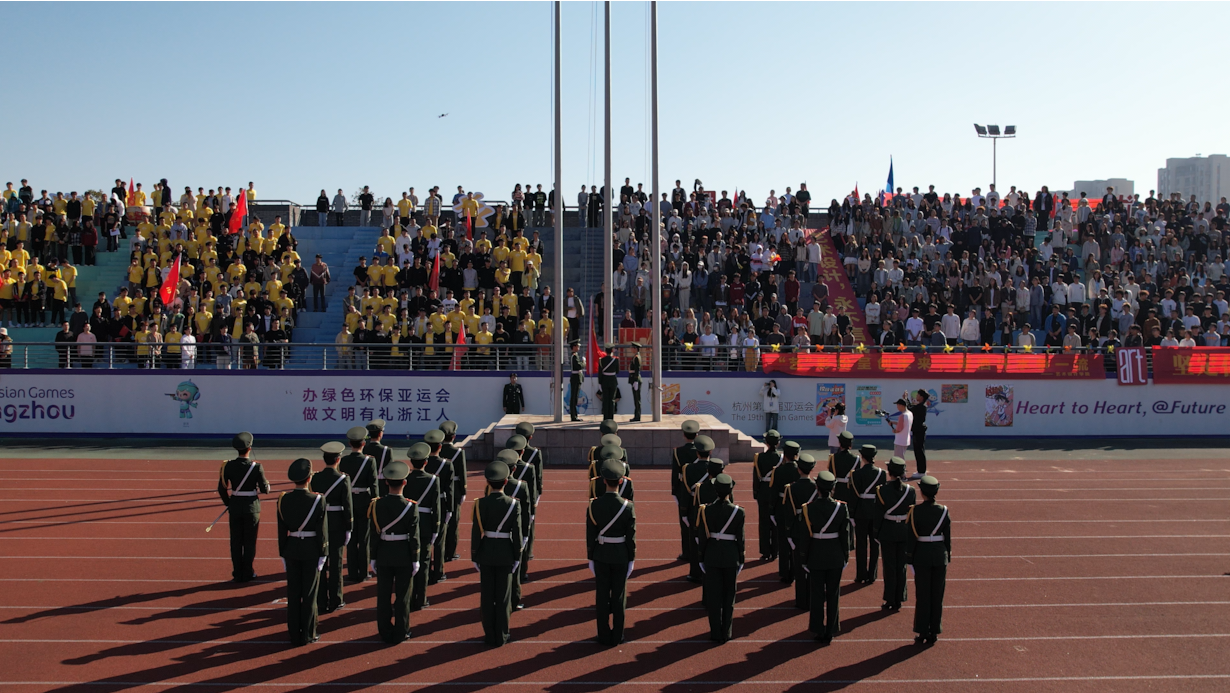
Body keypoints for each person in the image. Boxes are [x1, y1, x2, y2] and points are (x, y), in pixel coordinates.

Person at [367, 459, 421, 644]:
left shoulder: (376, 505)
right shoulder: (410, 506)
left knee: (383, 595)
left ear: (386, 482)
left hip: (383, 553)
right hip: (404, 554)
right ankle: (401, 630)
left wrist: (373, 556)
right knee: (402, 596)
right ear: (405, 482)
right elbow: (414, 536)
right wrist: (415, 557)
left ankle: (384, 630)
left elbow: (373, 533)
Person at [276, 458, 328, 646]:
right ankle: (308, 632)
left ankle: (293, 632)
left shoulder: (283, 499)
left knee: (293, 592)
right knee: (309, 593)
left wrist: (282, 552)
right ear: (309, 478)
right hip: (311, 549)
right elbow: (322, 530)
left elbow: (281, 530)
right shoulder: (318, 500)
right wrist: (323, 552)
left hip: (291, 547)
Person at [472, 460, 524, 647]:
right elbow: (517, 534)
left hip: (486, 552)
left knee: (487, 597)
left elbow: (476, 532)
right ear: (505, 482)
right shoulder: (513, 504)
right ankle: (502, 634)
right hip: (505, 552)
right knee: (503, 597)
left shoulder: (480, 503)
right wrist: (517, 556)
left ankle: (489, 634)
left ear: (488, 482)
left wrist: (474, 555)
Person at [797, 470, 853, 645]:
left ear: (817, 488)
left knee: (817, 595)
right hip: (835, 555)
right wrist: (845, 556)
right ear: (833, 488)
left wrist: (804, 558)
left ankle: (818, 629)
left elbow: (805, 537)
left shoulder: (808, 508)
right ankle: (831, 628)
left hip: (816, 555)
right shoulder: (841, 508)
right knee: (833, 594)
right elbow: (845, 535)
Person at [587, 458, 637, 647]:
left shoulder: (594, 505)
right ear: (622, 481)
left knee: (602, 596)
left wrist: (590, 556)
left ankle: (603, 634)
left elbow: (590, 534)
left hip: (601, 553)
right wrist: (631, 558)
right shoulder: (628, 506)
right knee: (619, 596)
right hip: (621, 554)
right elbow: (631, 536)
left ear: (603, 480)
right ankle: (618, 635)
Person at [696, 473, 745, 643]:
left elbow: (702, 537)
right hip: (731, 556)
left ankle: (715, 632)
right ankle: (727, 631)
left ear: (715, 491)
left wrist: (701, 557)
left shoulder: (706, 510)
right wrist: (741, 558)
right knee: (729, 596)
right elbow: (741, 539)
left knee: (714, 596)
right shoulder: (739, 512)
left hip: (712, 555)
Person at [216, 432, 270, 583]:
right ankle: (248, 572)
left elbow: (221, 488)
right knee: (249, 542)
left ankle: (237, 572)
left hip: (235, 506)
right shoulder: (256, 467)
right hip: (252, 507)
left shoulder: (228, 466)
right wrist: (267, 486)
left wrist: (229, 503)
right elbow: (264, 489)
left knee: (236, 541)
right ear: (249, 448)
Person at [907, 475, 951, 645]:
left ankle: (923, 630)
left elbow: (911, 537)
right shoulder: (943, 511)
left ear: (922, 492)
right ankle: (934, 630)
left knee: (923, 595)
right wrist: (947, 555)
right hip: (939, 556)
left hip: (922, 555)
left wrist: (909, 558)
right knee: (937, 595)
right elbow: (947, 538)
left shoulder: (915, 511)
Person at [310, 442, 352, 615]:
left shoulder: (315, 478)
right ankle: (336, 599)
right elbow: (347, 505)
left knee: (320, 563)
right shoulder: (343, 479)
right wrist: (349, 526)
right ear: (338, 459)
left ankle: (321, 600)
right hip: (336, 523)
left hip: (319, 522)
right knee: (336, 564)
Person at [874, 457, 916, 612]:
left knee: (889, 566)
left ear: (889, 472)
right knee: (901, 566)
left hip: (888, 530)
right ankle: (900, 598)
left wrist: (876, 532)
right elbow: (911, 513)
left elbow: (878, 514)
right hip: (904, 531)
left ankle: (890, 598)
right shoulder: (910, 491)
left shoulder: (882, 490)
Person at [404, 443, 441, 612]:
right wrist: (436, 528)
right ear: (426, 462)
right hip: (425, 524)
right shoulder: (433, 480)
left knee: (408, 562)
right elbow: (436, 507)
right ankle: (421, 598)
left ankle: (408, 597)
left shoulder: (405, 479)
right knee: (424, 562)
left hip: (407, 524)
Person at [339, 426, 377, 583]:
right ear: (363, 444)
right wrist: (375, 503)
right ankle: (363, 572)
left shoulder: (344, 460)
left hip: (348, 502)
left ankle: (352, 572)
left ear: (350, 443)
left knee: (350, 538)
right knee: (364, 538)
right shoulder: (369, 461)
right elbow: (373, 485)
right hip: (364, 501)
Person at [782, 452, 818, 609]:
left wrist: (788, 533)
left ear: (798, 469)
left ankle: (801, 600)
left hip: (797, 529)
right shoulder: (817, 487)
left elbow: (789, 513)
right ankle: (812, 598)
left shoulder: (791, 489)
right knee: (813, 565)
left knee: (799, 566)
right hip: (814, 529)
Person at [681, 434, 715, 583]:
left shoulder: (688, 469)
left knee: (694, 541)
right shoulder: (715, 467)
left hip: (694, 507)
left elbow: (685, 492)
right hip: (711, 507)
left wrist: (683, 511)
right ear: (710, 452)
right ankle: (711, 569)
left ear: (697, 453)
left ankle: (695, 572)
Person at [423, 429, 456, 584]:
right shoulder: (446, 465)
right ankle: (438, 571)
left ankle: (425, 570)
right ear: (440, 447)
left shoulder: (422, 463)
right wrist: (450, 508)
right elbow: (450, 490)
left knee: (425, 539)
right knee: (439, 540)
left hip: (423, 505)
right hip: (441, 503)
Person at [849, 444, 884, 584]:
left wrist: (852, 514)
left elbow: (854, 496)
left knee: (861, 544)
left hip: (861, 511)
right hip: (875, 512)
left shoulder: (856, 474)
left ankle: (861, 574)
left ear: (862, 457)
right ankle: (872, 574)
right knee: (875, 544)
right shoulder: (882, 473)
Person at [769, 441, 802, 582]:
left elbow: (773, 492)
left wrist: (772, 510)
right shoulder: (800, 470)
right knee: (796, 540)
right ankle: (796, 569)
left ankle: (784, 571)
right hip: (797, 508)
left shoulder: (778, 471)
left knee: (783, 541)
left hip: (782, 507)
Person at [439, 420, 468, 562]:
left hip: (438, 488)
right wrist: (463, 491)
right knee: (453, 522)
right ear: (454, 436)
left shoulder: (436, 451)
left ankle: (439, 550)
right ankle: (450, 552)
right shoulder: (458, 452)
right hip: (454, 489)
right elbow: (462, 474)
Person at [671, 420, 701, 560]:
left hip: (684, 489)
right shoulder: (702, 450)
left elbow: (675, 473)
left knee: (685, 522)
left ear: (684, 435)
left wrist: (675, 491)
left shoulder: (678, 452)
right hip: (701, 490)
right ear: (697, 435)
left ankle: (687, 552)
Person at [751, 430, 783, 562]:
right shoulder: (781, 458)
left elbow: (756, 477)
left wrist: (756, 492)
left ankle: (765, 551)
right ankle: (776, 550)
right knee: (776, 522)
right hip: (776, 491)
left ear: (766, 442)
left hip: (763, 491)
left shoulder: (759, 457)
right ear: (778, 443)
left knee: (764, 522)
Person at [828, 431, 858, 506]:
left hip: (837, 489)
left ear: (839, 443)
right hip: (850, 490)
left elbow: (831, 475)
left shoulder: (833, 458)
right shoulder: (856, 459)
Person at [364, 419, 393, 497]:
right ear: (380, 434)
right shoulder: (387, 450)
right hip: (382, 485)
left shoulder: (364, 449)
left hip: (367, 485)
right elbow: (390, 470)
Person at [908, 391, 929, 478]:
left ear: (921, 397)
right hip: (917, 431)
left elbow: (909, 409)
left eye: (918, 395)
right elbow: (911, 408)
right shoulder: (919, 406)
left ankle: (921, 471)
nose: (916, 396)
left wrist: (905, 400)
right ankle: (920, 470)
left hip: (919, 431)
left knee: (919, 451)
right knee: (918, 450)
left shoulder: (921, 407)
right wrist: (906, 399)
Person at [598, 345, 619, 420]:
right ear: (612, 351)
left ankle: (605, 418)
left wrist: (600, 382)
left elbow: (600, 373)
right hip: (613, 381)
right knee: (612, 400)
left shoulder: (601, 360)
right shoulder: (616, 360)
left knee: (605, 400)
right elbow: (617, 371)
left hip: (605, 381)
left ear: (605, 351)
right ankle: (611, 418)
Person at [569, 341, 584, 421]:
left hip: (577, 377)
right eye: (577, 346)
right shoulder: (574, 356)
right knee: (574, 397)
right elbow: (579, 366)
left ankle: (575, 415)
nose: (578, 347)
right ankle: (573, 416)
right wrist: (584, 362)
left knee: (575, 397)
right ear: (574, 347)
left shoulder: (576, 355)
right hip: (575, 378)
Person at [627, 343, 643, 421]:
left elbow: (637, 369)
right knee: (636, 399)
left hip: (635, 379)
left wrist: (636, 380)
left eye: (632, 347)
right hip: (633, 378)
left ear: (635, 348)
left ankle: (637, 416)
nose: (631, 349)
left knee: (637, 399)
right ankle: (636, 415)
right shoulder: (635, 356)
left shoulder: (636, 357)